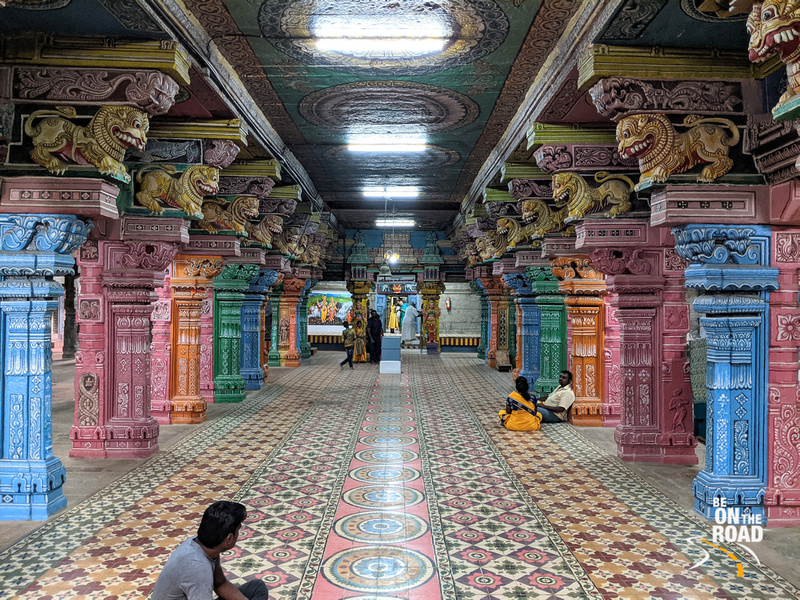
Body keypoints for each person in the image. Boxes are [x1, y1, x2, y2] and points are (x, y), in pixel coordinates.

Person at [151, 500, 268, 600]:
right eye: (238, 531)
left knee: (257, 588)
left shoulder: (203, 545)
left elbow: (220, 584)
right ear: (229, 538)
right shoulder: (198, 567)